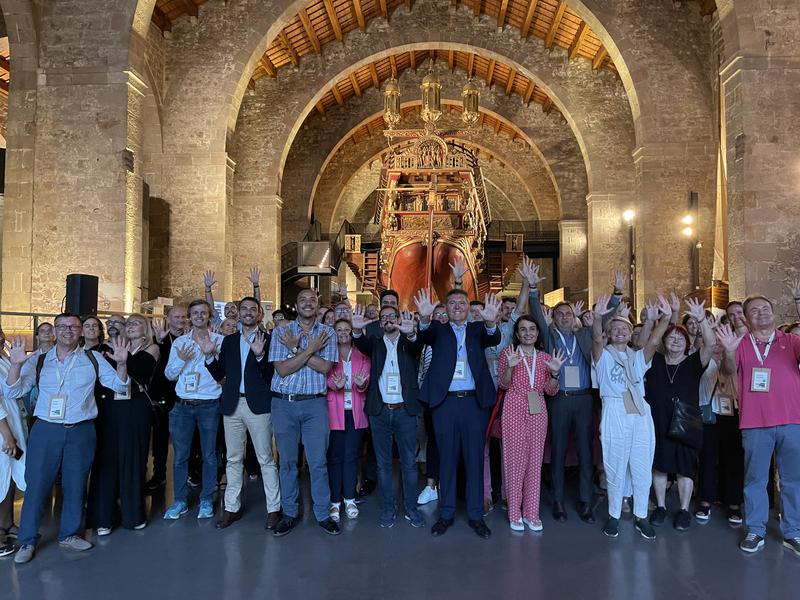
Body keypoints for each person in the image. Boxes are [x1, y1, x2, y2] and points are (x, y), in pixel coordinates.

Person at [3, 314, 130, 564]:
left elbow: (120, 386)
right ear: (54, 332)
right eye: (61, 327)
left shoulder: (93, 359)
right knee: (36, 485)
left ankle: (69, 534)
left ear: (81, 331)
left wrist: (123, 364)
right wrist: (16, 365)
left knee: (75, 484)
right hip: (46, 430)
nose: (67, 331)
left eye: (73, 327)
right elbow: (13, 390)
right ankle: (27, 540)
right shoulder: (38, 361)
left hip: (81, 430)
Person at [526, 267, 623, 524]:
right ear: (553, 318)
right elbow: (535, 313)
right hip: (558, 398)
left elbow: (605, 317)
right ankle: (557, 501)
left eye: (568, 314)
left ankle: (585, 502)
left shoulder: (582, 334)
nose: (565, 317)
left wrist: (617, 295)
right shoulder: (548, 335)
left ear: (574, 317)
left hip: (582, 399)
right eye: (560, 314)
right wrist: (534, 290)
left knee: (585, 452)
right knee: (557, 451)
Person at [415, 287, 501, 539]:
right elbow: (423, 334)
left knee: (474, 459)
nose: (456, 306)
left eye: (461, 303)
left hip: (473, 404)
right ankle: (446, 514)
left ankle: (475, 515)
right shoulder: (438, 330)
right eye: (451, 303)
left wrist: (491, 321)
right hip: (446, 404)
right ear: (446, 308)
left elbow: (493, 338)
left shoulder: (477, 329)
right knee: (447, 459)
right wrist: (423, 318)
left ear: (468, 307)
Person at [717, 295, 800, 557]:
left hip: (792, 420)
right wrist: (729, 350)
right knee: (755, 479)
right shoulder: (741, 343)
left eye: (766, 308)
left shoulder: (790, 341)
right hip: (755, 423)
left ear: (773, 313)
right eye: (754, 310)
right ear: (745, 318)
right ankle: (755, 529)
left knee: (793, 480)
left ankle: (793, 531)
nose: (761, 313)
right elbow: (729, 371)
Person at [591, 294, 671, 540]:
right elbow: (595, 339)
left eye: (624, 329)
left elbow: (654, 341)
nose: (620, 332)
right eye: (614, 329)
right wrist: (597, 318)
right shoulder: (602, 356)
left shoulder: (637, 357)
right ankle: (614, 514)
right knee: (614, 465)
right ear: (609, 333)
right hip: (615, 409)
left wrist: (665, 319)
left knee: (641, 464)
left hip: (639, 411)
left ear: (630, 333)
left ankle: (641, 515)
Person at [205, 297, 281, 531]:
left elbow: (273, 376)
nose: (248, 313)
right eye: (244, 309)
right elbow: (221, 374)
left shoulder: (269, 340)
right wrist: (209, 356)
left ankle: (273, 509)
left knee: (266, 459)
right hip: (232, 406)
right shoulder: (229, 341)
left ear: (259, 314)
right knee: (233, 459)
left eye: (253, 310)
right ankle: (231, 508)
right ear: (238, 313)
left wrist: (260, 356)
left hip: (258, 406)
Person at [268, 288, 339, 537]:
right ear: (295, 305)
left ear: (318, 304)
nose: (308, 303)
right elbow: (282, 370)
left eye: (312, 299)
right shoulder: (281, 331)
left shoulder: (328, 332)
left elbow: (325, 368)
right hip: (284, 405)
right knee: (287, 463)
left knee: (318, 462)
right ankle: (289, 513)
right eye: (302, 300)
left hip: (314, 405)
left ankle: (322, 514)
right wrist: (310, 350)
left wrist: (296, 350)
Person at [353, 305, 425, 528]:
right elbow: (360, 342)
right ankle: (388, 508)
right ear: (379, 323)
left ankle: (411, 508)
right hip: (380, 412)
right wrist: (356, 331)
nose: (387, 320)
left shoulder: (408, 343)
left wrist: (411, 332)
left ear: (398, 319)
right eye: (383, 317)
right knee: (383, 465)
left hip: (405, 411)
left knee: (409, 464)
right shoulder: (374, 344)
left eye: (391, 316)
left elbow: (416, 344)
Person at [646, 298, 715, 531]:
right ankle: (662, 506)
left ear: (687, 344)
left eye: (680, 339)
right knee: (660, 465)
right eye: (671, 338)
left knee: (685, 467)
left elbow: (710, 344)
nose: (675, 342)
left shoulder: (694, 362)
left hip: (686, 421)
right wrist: (664, 319)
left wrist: (702, 319)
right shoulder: (654, 361)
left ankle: (684, 509)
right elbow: (648, 340)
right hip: (659, 420)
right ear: (665, 341)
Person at [89, 314, 160, 535]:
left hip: (136, 408)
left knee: (133, 459)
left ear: (146, 328)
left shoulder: (152, 349)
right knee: (106, 458)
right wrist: (114, 356)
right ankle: (104, 517)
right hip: (110, 407)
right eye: (128, 323)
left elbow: (141, 368)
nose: (130, 326)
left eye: (136, 323)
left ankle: (133, 515)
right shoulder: (110, 348)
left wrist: (121, 359)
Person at [497, 317, 565, 531]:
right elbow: (503, 384)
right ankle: (514, 513)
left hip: (538, 409)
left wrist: (554, 372)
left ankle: (531, 513)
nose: (528, 333)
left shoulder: (545, 358)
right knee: (515, 462)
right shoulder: (508, 354)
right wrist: (509, 367)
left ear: (537, 333)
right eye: (523, 330)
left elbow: (551, 390)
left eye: (532, 329)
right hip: (514, 406)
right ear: (517, 334)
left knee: (535, 462)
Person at [164, 299, 224, 521]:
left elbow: (224, 375)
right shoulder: (179, 342)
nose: (199, 316)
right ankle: (180, 500)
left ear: (209, 316)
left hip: (210, 405)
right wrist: (180, 361)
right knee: (180, 456)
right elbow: (169, 374)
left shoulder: (220, 340)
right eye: (195, 313)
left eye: (203, 312)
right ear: (190, 316)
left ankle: (207, 499)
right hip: (183, 405)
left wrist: (210, 354)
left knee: (209, 455)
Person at [695, 343, 744, 526]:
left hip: (733, 415)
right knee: (707, 458)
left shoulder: (735, 360)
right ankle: (705, 500)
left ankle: (733, 503)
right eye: (714, 342)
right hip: (709, 416)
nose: (718, 346)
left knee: (732, 460)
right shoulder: (703, 360)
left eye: (721, 343)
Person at [326, 319, 369, 522]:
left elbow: (366, 380)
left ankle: (349, 498)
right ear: (334, 333)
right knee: (335, 457)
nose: (343, 333)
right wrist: (334, 385)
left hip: (356, 413)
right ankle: (334, 501)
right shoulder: (328, 354)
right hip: (334, 412)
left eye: (346, 330)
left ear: (352, 333)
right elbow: (321, 378)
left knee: (351, 456)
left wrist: (361, 385)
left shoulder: (362, 355)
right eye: (339, 330)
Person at [148, 305, 187, 492]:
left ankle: (191, 472)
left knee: (188, 437)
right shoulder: (160, 340)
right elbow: (160, 365)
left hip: (185, 394)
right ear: (168, 319)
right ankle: (159, 474)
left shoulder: (190, 338)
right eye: (176, 316)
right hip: (164, 394)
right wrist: (160, 342)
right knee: (161, 437)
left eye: (183, 317)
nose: (181, 320)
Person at [0, 327, 26, 558]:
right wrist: (7, 435)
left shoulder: (4, 359)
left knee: (9, 480)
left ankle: (6, 523)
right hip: (3, 430)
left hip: (14, 426)